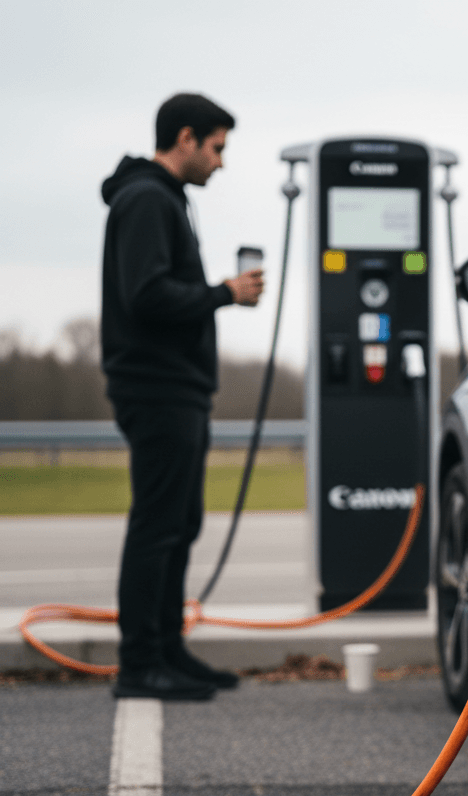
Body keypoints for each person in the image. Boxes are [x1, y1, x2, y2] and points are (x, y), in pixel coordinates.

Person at [100, 93, 264, 700]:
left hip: (178, 388)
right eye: (217, 147)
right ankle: (140, 664)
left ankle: (167, 650)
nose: (221, 161)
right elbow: (146, 295)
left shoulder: (164, 198)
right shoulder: (147, 198)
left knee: (179, 522)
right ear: (187, 137)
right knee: (158, 525)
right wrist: (223, 293)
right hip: (157, 387)